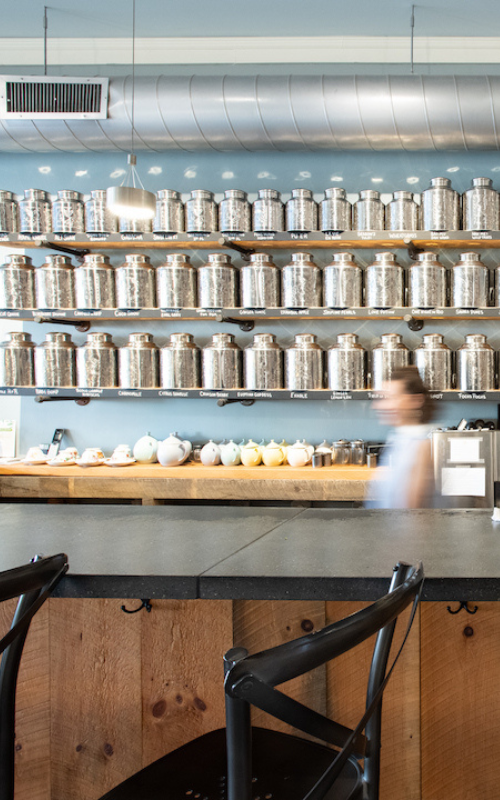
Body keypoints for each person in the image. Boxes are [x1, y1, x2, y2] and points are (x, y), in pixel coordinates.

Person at [367, 366, 435, 509]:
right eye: (381, 398)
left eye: (391, 398)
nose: (378, 405)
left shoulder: (419, 446)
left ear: (416, 401)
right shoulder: (401, 438)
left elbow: (412, 515)